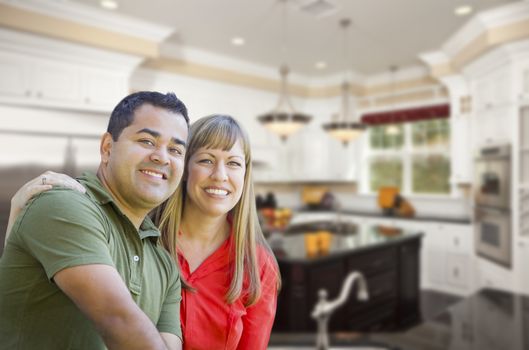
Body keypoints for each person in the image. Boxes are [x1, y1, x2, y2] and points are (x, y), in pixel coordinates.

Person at [5, 114, 280, 349]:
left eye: (233, 163)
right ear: (184, 168)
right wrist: (19, 217)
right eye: (206, 160)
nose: (220, 175)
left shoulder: (258, 265)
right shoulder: (141, 235)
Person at [0, 91, 190, 350]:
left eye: (175, 149)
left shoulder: (165, 265)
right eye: (147, 141)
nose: (162, 157)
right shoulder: (64, 204)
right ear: (107, 148)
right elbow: (118, 320)